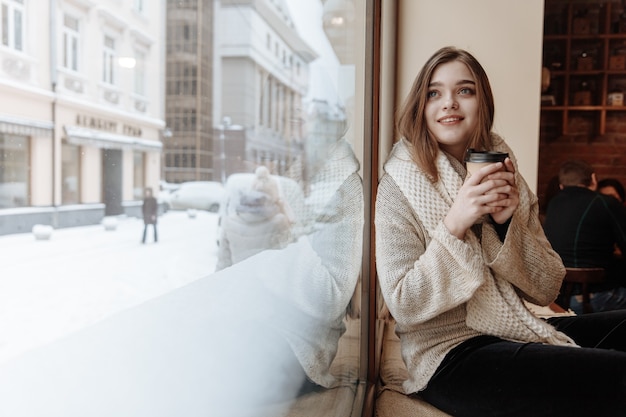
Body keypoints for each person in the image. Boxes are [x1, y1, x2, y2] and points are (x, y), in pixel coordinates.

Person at [374, 46, 626, 417]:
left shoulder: (503, 170)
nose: (449, 104)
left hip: (511, 327)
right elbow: (403, 304)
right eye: (434, 93)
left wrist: (507, 225)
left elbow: (547, 287)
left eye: (464, 90)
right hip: (448, 355)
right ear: (421, 106)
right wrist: (455, 222)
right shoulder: (397, 185)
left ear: (482, 103)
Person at [543, 160, 626, 313]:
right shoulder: (607, 203)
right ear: (594, 179)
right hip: (598, 296)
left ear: (561, 186)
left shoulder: (554, 204)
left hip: (558, 299)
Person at [215, 165, 293, 270]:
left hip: (239, 282)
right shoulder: (279, 222)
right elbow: (289, 260)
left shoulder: (230, 221)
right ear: (274, 197)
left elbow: (223, 263)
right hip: (267, 283)